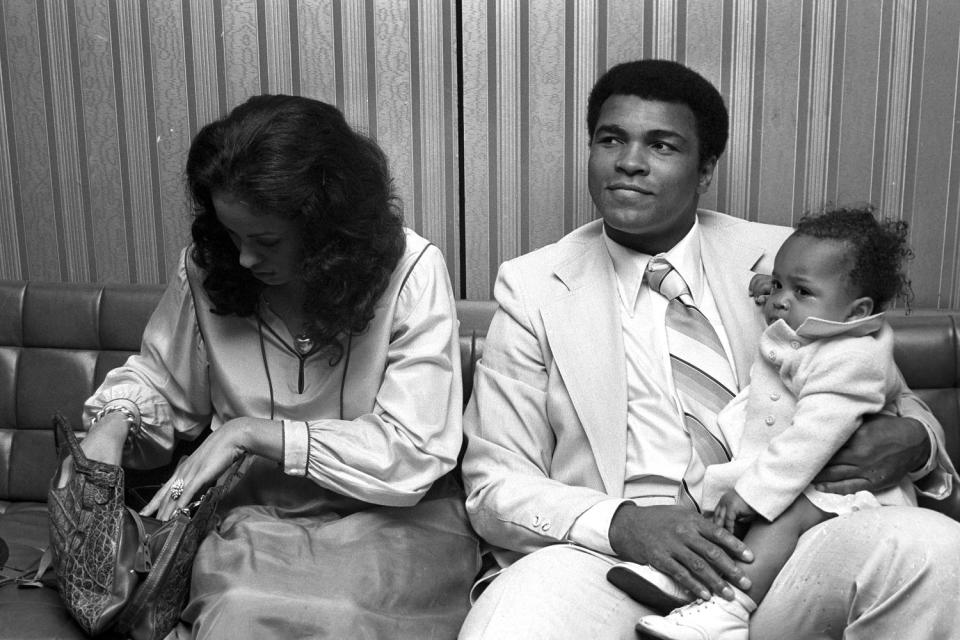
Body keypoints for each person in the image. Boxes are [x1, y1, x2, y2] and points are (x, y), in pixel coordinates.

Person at [457, 59, 960, 640]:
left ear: (706, 169)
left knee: (935, 553)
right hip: (612, 563)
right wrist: (623, 524)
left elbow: (881, 386)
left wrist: (916, 443)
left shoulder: (793, 260)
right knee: (512, 622)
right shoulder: (532, 286)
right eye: (611, 138)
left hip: (786, 545)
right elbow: (495, 484)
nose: (629, 161)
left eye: (662, 145)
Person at [77, 94, 479, 639]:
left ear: (326, 227)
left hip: (398, 521)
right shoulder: (208, 267)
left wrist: (253, 434)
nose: (242, 258)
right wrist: (116, 420)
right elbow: (162, 382)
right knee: (241, 607)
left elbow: (412, 448)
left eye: (265, 240)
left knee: (346, 615)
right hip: (255, 518)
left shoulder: (411, 269)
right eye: (231, 235)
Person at [633, 207, 960, 639]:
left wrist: (750, 493)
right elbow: (794, 286)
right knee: (749, 514)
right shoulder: (821, 320)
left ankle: (726, 612)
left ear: (856, 310)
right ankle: (693, 579)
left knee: (774, 517)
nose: (779, 300)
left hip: (841, 494)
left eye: (801, 291)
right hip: (791, 479)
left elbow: (814, 436)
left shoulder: (853, 356)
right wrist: (777, 287)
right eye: (777, 286)